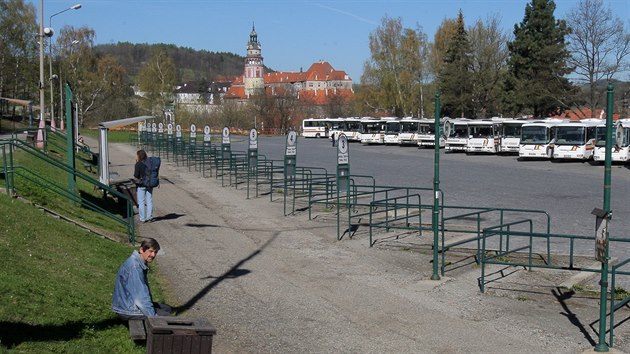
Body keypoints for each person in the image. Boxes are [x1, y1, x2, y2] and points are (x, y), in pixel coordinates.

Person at [112, 238, 171, 319]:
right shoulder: (135, 267)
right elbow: (141, 299)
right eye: (151, 251)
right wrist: (154, 317)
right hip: (127, 310)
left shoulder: (136, 261)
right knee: (166, 317)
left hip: (125, 304)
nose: (153, 255)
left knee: (166, 308)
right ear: (142, 250)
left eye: (155, 252)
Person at [133, 149, 153, 223]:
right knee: (149, 200)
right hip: (149, 184)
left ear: (139, 156)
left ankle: (142, 218)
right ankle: (150, 217)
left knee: (141, 201)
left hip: (141, 185)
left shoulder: (138, 164)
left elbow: (136, 176)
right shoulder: (149, 162)